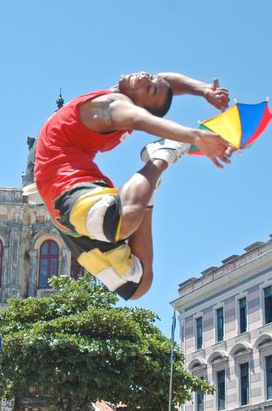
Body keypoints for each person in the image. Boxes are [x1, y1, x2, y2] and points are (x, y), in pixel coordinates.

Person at [32, 72, 234, 300]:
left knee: (136, 285)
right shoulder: (121, 94)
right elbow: (166, 81)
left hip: (67, 190)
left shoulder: (116, 105)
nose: (145, 79)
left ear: (140, 106)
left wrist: (194, 136)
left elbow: (140, 119)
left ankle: (156, 167)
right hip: (65, 197)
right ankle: (157, 166)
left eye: (149, 89)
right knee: (123, 233)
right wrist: (203, 89)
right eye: (149, 77)